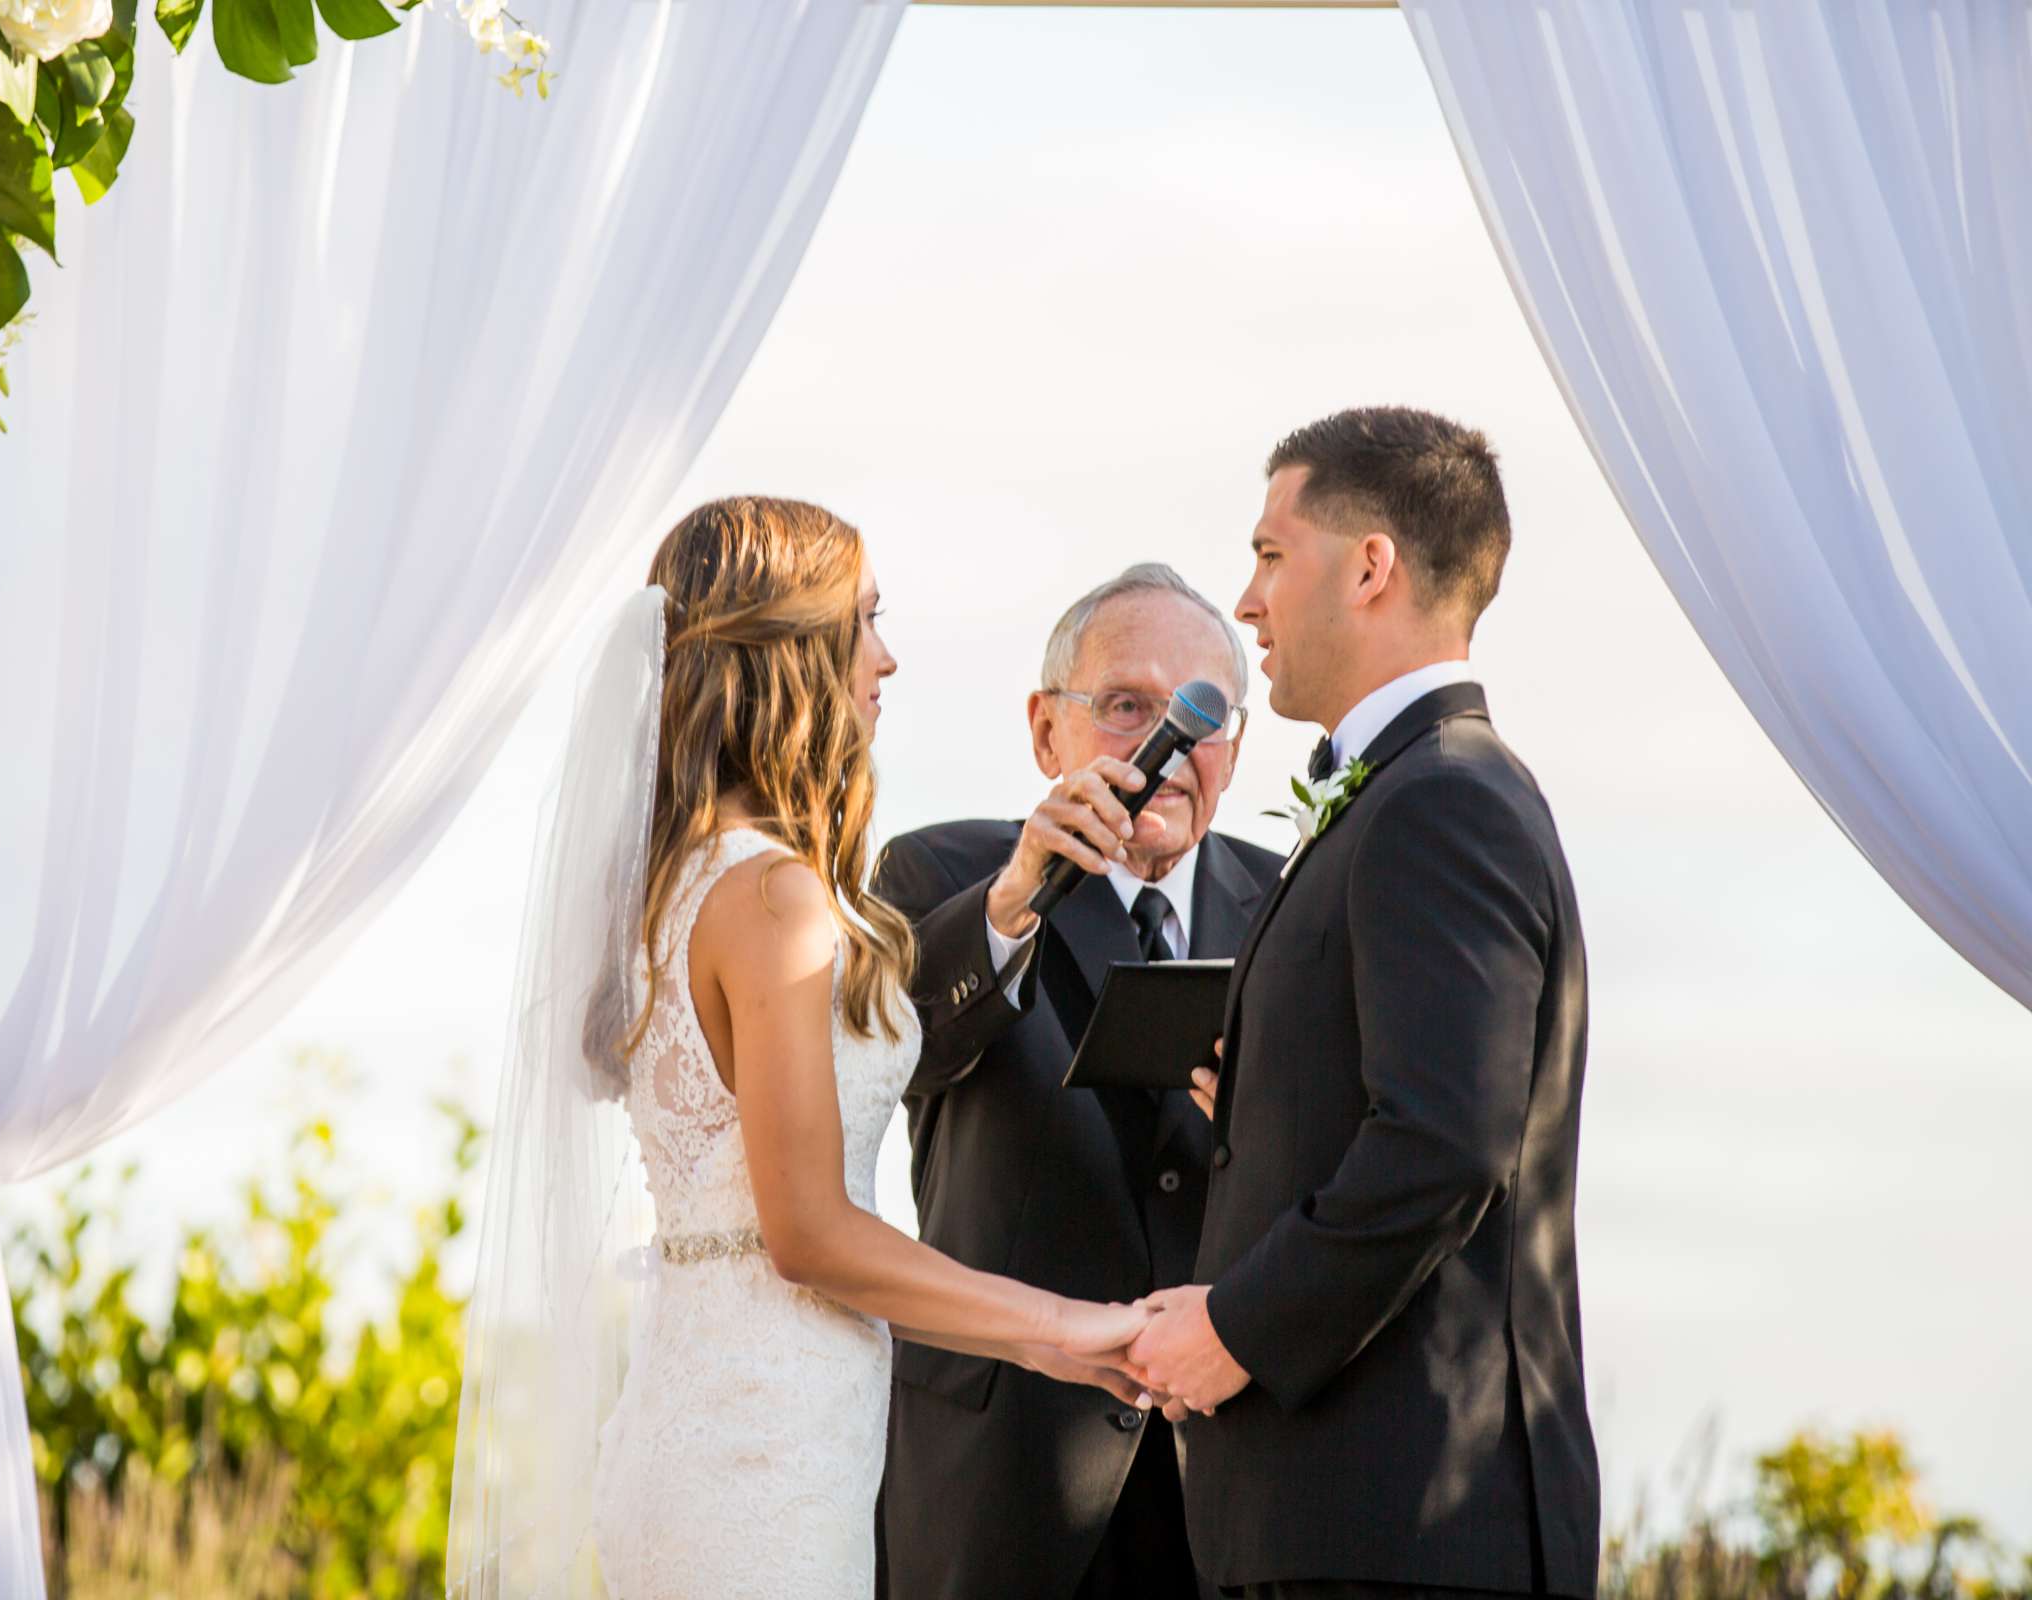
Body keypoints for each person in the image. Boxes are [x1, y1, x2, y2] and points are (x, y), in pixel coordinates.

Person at [449, 497, 1154, 1600]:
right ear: (789, 656)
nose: (888, 656)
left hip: (712, 1423)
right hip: (758, 1458)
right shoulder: (773, 894)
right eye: (863, 621)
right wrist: (1054, 1328)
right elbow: (809, 1232)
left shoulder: (673, 883)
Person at [1126, 408, 1603, 1599]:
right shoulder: (1403, 794)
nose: (1247, 601)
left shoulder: (1445, 802)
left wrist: (1233, 1327)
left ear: (1373, 565)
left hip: (1403, 1533)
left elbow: (1445, 1140)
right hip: (1332, 1523)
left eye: (1271, 555)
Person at [872, 565, 1282, 1600]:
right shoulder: (940, 875)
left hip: (1227, 1485)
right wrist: (1017, 899)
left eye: (1203, 717)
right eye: (1129, 708)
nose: (1168, 751)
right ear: (1046, 731)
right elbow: (895, 1054)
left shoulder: (1293, 903)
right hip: (999, 1483)